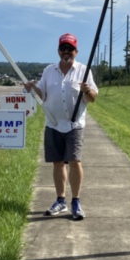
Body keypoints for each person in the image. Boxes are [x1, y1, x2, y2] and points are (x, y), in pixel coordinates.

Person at [24, 33, 98, 220]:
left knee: (74, 161)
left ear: (76, 51)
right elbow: (42, 94)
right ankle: (60, 200)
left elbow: (93, 99)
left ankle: (76, 201)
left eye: (70, 49)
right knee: (57, 163)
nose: (66, 52)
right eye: (63, 49)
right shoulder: (49, 70)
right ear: (58, 51)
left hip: (74, 125)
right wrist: (32, 88)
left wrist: (87, 90)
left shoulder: (84, 70)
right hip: (53, 123)